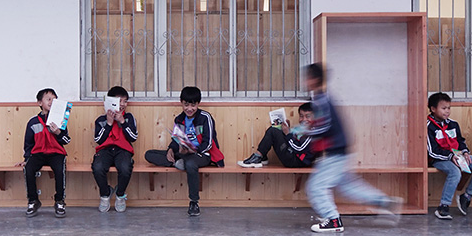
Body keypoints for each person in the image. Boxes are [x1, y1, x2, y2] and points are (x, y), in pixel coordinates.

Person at [302, 64, 399, 232]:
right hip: (340, 151)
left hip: (335, 153)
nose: (304, 81)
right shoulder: (323, 98)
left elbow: (325, 127)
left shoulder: (320, 101)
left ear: (314, 80)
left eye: (307, 77)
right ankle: (384, 202)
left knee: (316, 187)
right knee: (349, 187)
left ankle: (333, 220)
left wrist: (306, 131)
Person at [144, 86, 224, 217]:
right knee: (149, 154)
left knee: (191, 164)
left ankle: (194, 202)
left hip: (202, 154)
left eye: (193, 105)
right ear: (181, 102)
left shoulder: (205, 117)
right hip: (184, 153)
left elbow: (208, 143)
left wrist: (193, 150)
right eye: (186, 105)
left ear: (198, 104)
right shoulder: (179, 119)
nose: (189, 109)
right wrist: (171, 149)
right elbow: (177, 140)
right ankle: (178, 162)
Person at [427, 92, 472, 220]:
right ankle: (443, 206)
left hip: (458, 155)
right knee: (455, 172)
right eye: (443, 108)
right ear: (433, 109)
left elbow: (460, 141)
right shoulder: (428, 126)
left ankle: (466, 197)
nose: (447, 111)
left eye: (449, 108)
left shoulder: (453, 124)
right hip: (440, 159)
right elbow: (432, 151)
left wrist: (465, 152)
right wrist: (450, 156)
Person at [23, 87, 70, 217]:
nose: (51, 102)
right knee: (29, 168)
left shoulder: (61, 120)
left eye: (54, 100)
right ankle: (33, 200)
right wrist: (27, 158)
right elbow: (28, 144)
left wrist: (58, 132)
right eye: (48, 99)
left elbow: (67, 140)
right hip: (38, 153)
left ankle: (60, 201)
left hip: (56, 153)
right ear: (39, 103)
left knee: (60, 169)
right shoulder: (32, 122)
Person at [91, 85, 138, 212]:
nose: (122, 104)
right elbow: (98, 140)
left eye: (125, 101)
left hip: (123, 150)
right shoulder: (101, 120)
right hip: (105, 150)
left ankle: (120, 194)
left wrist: (123, 122)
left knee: (125, 167)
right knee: (98, 167)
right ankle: (105, 194)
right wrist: (109, 123)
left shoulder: (129, 118)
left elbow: (133, 137)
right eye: (119, 101)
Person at [238, 102, 315, 168]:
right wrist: (287, 129)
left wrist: (288, 134)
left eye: (308, 116)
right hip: (295, 157)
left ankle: (258, 157)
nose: (304, 119)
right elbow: (295, 141)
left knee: (273, 131)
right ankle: (262, 156)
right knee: (275, 129)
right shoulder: (303, 129)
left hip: (297, 162)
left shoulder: (313, 133)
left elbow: (299, 148)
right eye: (301, 116)